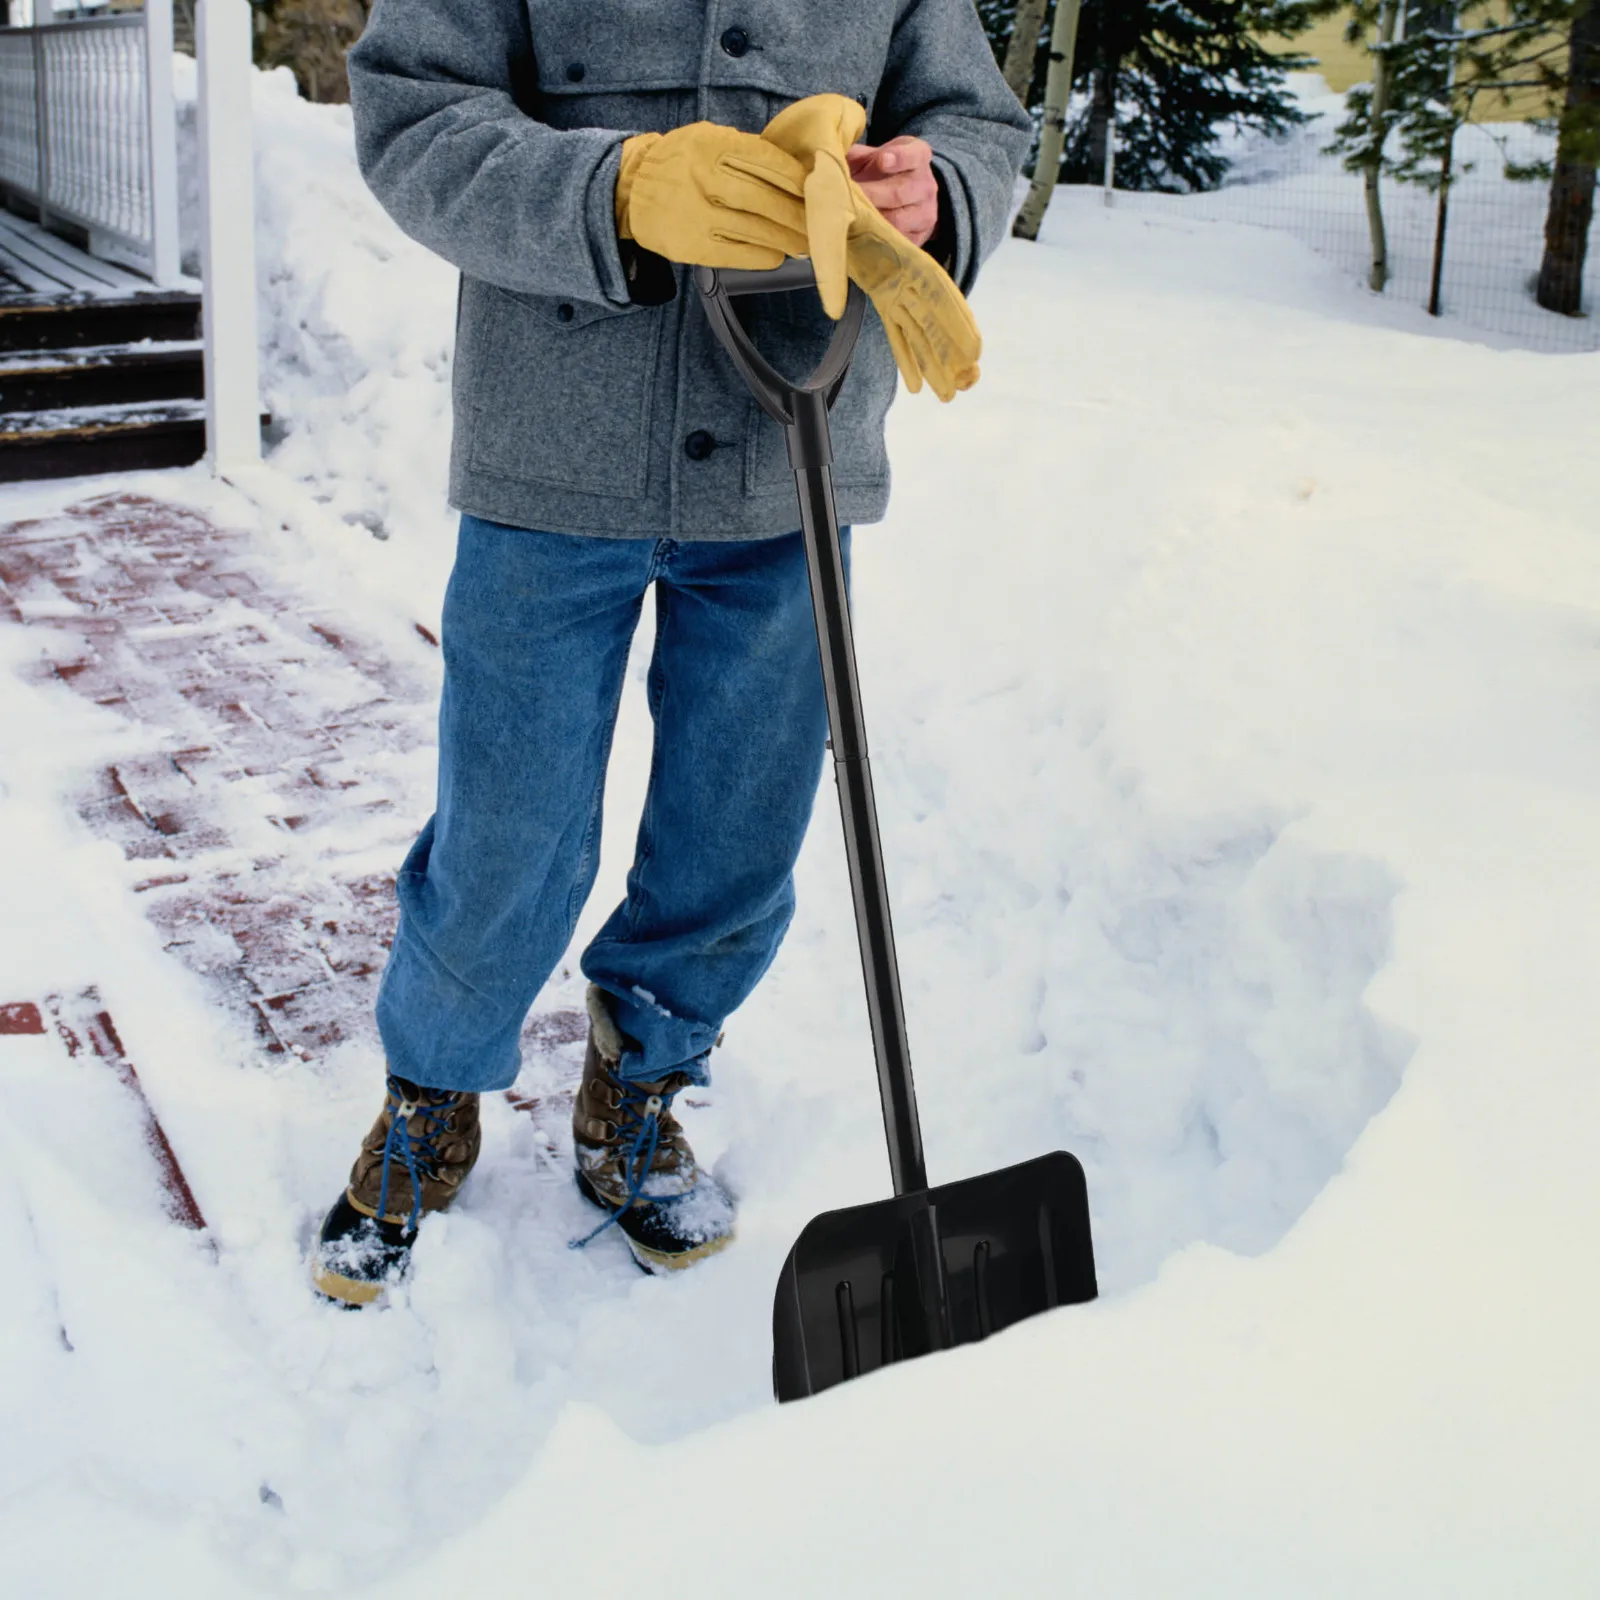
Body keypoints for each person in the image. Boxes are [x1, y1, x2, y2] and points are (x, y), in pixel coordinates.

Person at [310, 0, 1030, 1306]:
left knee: (737, 830)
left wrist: (940, 194)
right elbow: (416, 114)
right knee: (509, 833)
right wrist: (617, 188)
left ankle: (637, 1085)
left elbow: (974, 119)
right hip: (551, 461)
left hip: (790, 450)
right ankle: (433, 1091)